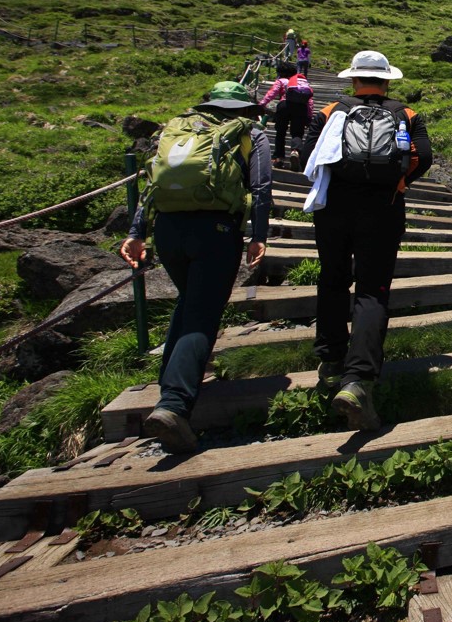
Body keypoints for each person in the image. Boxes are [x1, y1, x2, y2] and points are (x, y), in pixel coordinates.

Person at [119, 81, 272, 454]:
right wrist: (259, 233)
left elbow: (152, 182)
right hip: (216, 229)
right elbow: (262, 185)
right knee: (203, 312)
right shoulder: (251, 133)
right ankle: (174, 405)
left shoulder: (177, 127)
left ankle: (170, 379)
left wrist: (137, 231)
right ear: (242, 108)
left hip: (169, 229)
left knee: (189, 302)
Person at [298, 50, 432, 430]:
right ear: (387, 80)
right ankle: (357, 381)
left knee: (333, 279)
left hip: (333, 210)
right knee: (372, 290)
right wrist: (399, 182)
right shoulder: (405, 114)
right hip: (383, 209)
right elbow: (424, 156)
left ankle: (330, 362)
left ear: (353, 80)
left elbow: (308, 155)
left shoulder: (329, 111)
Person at [259, 61, 314, 167]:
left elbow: (272, 93)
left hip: (284, 105)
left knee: (280, 132)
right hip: (301, 107)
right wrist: (309, 116)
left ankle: (278, 157)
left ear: (281, 72)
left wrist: (261, 104)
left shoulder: (281, 81)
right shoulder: (302, 82)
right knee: (297, 133)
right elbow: (310, 101)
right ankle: (295, 152)